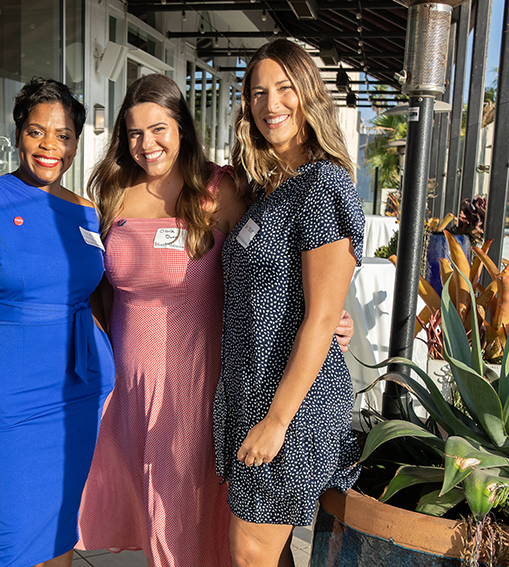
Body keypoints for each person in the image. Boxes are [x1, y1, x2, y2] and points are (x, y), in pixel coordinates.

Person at [75, 74, 354, 566]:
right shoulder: (113, 194)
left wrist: (328, 314)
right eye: (134, 132)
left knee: (190, 520)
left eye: (159, 128)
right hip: (130, 387)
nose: (147, 144)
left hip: (195, 382)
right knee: (156, 512)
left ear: (182, 127)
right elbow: (99, 292)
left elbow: (266, 270)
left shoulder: (220, 187)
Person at [0, 78, 115, 567]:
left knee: (60, 530)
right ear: (17, 135)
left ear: (76, 142)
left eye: (64, 135)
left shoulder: (86, 212)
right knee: (7, 541)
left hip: (77, 392)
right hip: (4, 396)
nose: (50, 146)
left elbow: (93, 292)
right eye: (37, 132)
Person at [213, 39, 363, 567]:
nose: (270, 103)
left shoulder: (323, 185)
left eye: (284, 88)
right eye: (258, 92)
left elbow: (322, 318)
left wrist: (277, 421)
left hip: (290, 405)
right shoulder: (272, 188)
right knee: (264, 554)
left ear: (308, 94)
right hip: (255, 394)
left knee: (251, 551)